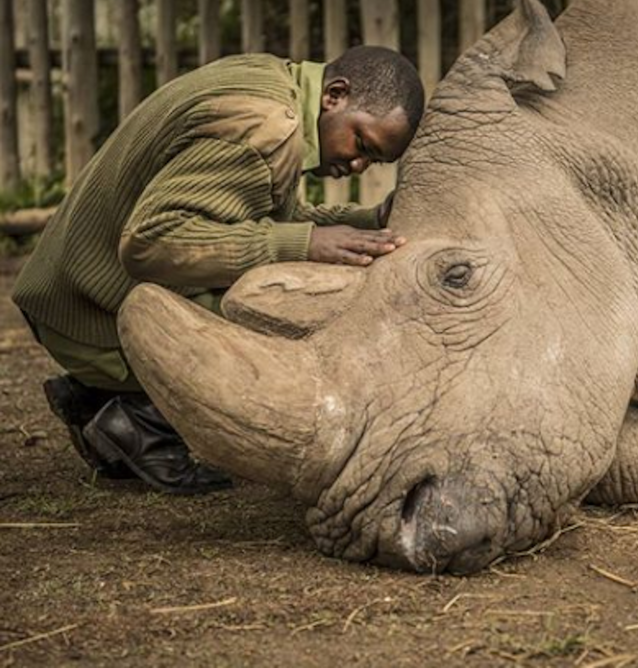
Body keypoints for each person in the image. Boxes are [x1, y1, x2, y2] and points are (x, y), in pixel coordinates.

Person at [12, 46, 426, 495]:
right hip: (87, 314)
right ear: (335, 95)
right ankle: (137, 416)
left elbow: (261, 218)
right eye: (362, 143)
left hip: (69, 292)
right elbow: (150, 242)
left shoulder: (272, 83)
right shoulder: (267, 129)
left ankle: (100, 397)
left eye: (374, 161)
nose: (358, 164)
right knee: (288, 313)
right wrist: (304, 244)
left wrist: (369, 222)